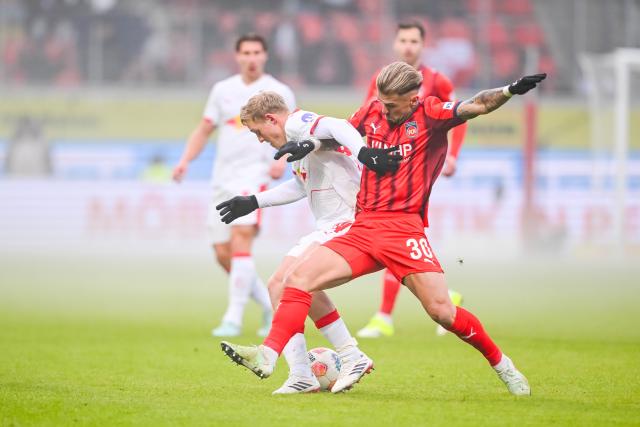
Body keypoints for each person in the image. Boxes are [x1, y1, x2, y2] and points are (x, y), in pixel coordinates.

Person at [221, 62, 546, 396]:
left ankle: (502, 364)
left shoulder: (431, 114)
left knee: (442, 312)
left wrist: (509, 90)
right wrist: (312, 146)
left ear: (412, 98)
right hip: (363, 226)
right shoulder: (373, 112)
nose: (384, 110)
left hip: (404, 229)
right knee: (298, 280)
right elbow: (336, 132)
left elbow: (476, 104)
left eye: (392, 105)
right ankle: (270, 354)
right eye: (381, 101)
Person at [216, 91, 397, 394]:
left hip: (348, 221)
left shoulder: (300, 123)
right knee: (277, 285)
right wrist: (254, 201)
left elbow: (339, 126)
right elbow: (301, 185)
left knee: (294, 281)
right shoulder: (297, 140)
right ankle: (302, 374)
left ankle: (352, 355)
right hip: (325, 225)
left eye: (258, 131)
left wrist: (364, 153)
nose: (260, 139)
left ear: (271, 119)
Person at [172, 34, 295, 338]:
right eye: (246, 53)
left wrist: (283, 160)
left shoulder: (279, 92)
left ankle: (233, 318)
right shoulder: (222, 90)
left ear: (265, 56)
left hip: (256, 177)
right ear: (237, 56)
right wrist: (185, 160)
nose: (251, 58)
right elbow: (204, 130)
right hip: (222, 178)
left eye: (257, 52)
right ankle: (269, 305)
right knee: (222, 252)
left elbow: (293, 130)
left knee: (241, 240)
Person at [359, 21, 467, 339]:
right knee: (401, 238)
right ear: (395, 44)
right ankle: (443, 298)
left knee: (398, 234)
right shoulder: (381, 81)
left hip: (419, 169)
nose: (408, 46)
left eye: (414, 41)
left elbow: (458, 118)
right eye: (403, 40)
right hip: (387, 171)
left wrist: (453, 156)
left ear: (422, 45)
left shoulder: (437, 81)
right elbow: (368, 117)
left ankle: (384, 316)